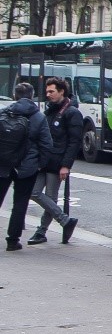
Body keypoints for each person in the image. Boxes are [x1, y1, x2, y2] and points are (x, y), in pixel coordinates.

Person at [27, 77, 83, 244]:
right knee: (35, 192)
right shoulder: (51, 110)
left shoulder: (72, 113)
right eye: (47, 91)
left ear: (61, 91)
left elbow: (74, 142)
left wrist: (65, 165)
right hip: (44, 161)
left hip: (57, 162)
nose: (48, 94)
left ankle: (41, 231)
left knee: (50, 197)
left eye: (51, 91)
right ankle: (64, 220)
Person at [2, 82, 55, 252]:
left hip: (3, 164)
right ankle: (12, 240)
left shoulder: (4, 112)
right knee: (20, 203)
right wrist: (39, 165)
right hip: (27, 167)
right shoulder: (38, 117)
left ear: (14, 95)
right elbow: (47, 145)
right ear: (32, 96)